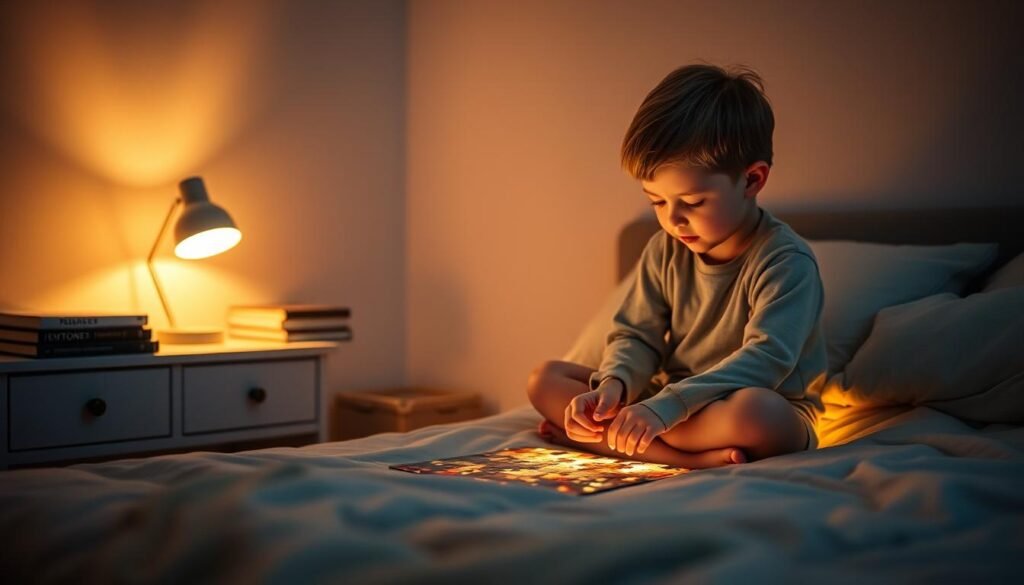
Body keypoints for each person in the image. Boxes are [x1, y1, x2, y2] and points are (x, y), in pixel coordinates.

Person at [526, 63, 827, 469]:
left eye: (693, 202)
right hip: (666, 405)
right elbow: (637, 335)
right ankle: (687, 457)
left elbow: (767, 360)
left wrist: (667, 407)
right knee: (545, 379)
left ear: (752, 180)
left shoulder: (785, 261)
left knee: (759, 414)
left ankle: (619, 440)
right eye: (657, 201)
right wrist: (613, 385)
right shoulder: (663, 249)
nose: (672, 219)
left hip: (736, 404)